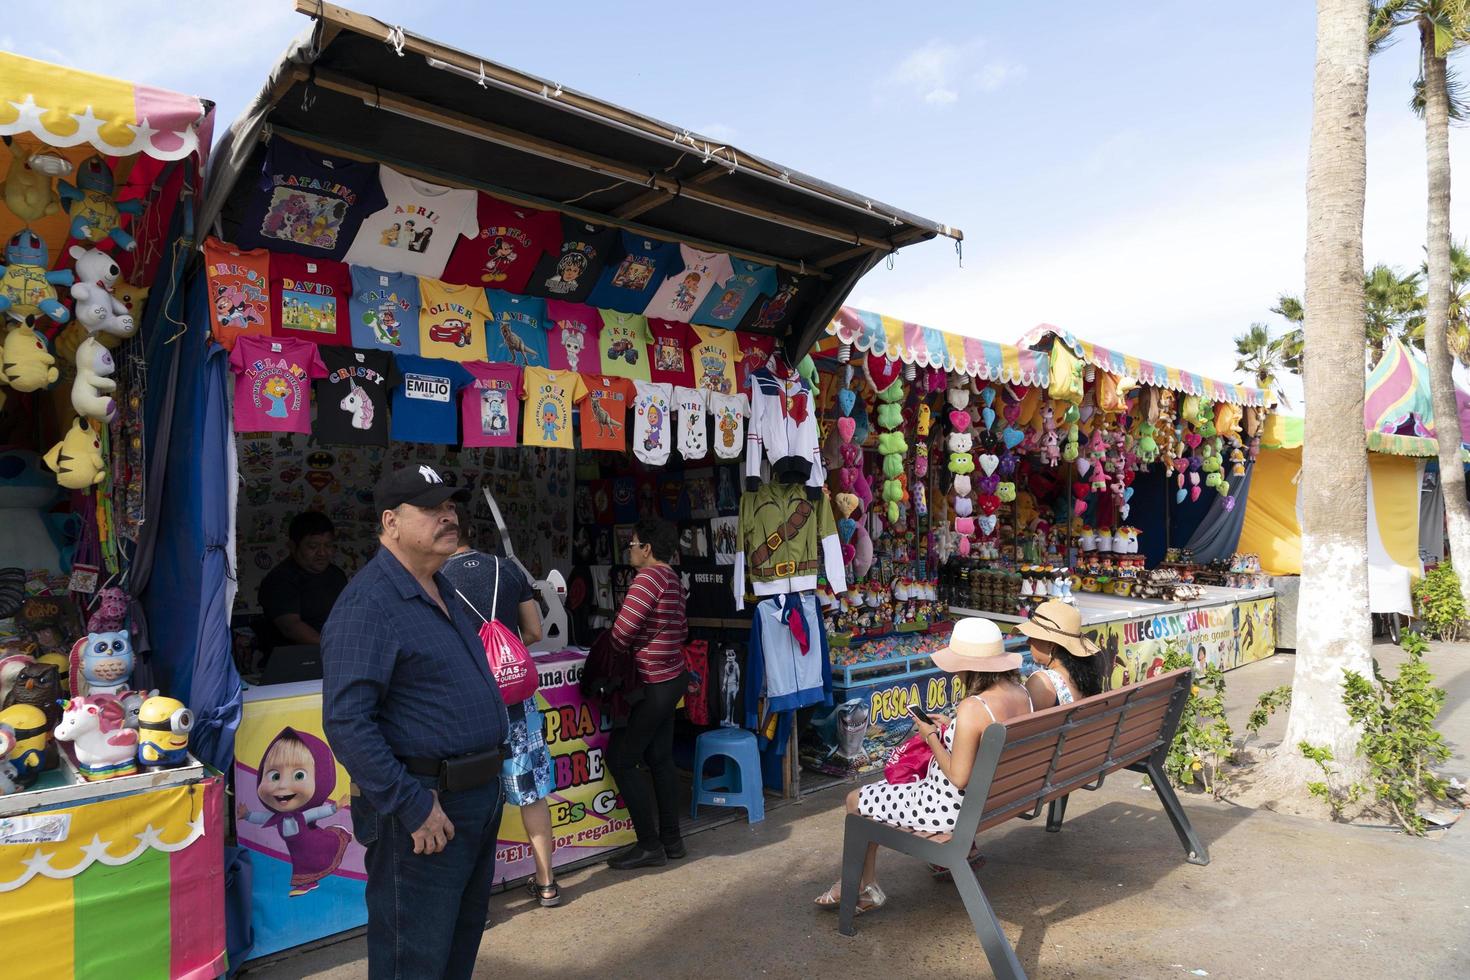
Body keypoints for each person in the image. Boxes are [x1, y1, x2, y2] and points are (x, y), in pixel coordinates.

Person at [321, 466, 509, 980]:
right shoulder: (369, 603)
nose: (448, 516)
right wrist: (411, 805)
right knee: (414, 957)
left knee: (458, 943)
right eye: (431, 509)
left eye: (450, 507)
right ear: (391, 522)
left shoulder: (442, 588)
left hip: (473, 798)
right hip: (425, 808)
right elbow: (347, 722)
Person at [814, 618, 1033, 913]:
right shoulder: (1022, 694)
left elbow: (958, 777)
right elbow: (981, 740)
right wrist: (951, 727)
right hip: (998, 799)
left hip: (947, 808)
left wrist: (930, 735)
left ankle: (862, 887)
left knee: (856, 801)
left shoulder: (974, 707)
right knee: (873, 799)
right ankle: (863, 885)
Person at [439, 502, 562, 908]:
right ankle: (546, 883)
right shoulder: (507, 570)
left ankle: (476, 903)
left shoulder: (434, 578)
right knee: (531, 792)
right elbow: (533, 630)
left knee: (468, 801)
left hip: (464, 705)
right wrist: (502, 655)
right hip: (514, 700)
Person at [603, 517, 688, 870]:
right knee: (660, 759)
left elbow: (621, 634)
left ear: (648, 549)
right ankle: (672, 839)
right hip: (671, 679)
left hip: (651, 683)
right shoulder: (673, 579)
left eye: (634, 544)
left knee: (622, 758)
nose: (630, 550)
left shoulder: (647, 579)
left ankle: (649, 844)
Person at [257, 511, 348, 660]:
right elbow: (291, 627)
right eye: (313, 546)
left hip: (335, 659)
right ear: (292, 546)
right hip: (295, 664)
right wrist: (334, 649)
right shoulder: (281, 579)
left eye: (328, 545)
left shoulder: (337, 575)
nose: (322, 553)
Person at [1017, 599, 1107, 708]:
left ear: (1051, 644)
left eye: (1033, 636)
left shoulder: (1042, 683)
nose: (1028, 642)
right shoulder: (1084, 676)